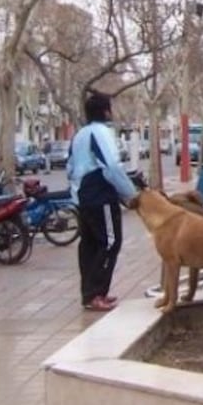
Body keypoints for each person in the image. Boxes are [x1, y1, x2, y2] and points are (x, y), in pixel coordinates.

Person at [67, 92, 138, 312]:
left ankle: (89, 294)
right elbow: (112, 167)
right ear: (106, 111)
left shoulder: (79, 135)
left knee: (89, 244)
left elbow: (69, 167)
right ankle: (97, 293)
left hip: (82, 195)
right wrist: (130, 194)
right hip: (100, 194)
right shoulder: (103, 133)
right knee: (110, 242)